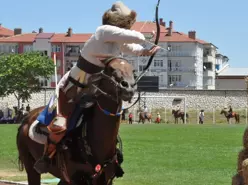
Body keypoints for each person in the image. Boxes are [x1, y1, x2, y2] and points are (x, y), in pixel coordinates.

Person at [33, 1, 160, 174]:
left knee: (104, 122)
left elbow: (134, 47)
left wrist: (147, 50)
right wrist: (146, 37)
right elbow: (134, 37)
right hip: (73, 88)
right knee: (60, 125)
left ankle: (110, 157)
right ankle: (46, 158)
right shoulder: (102, 32)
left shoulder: (116, 41)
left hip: (95, 89)